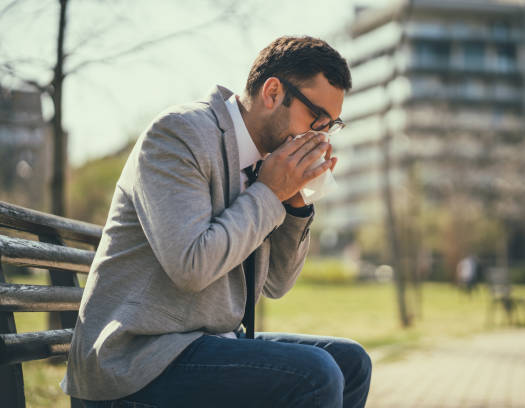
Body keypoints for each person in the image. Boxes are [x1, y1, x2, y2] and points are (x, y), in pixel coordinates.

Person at [61, 36, 372, 407]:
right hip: (134, 361)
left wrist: (294, 205)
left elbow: (276, 284)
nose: (318, 136)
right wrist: (269, 193)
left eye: (329, 126)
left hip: (207, 345)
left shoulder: (264, 162)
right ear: (272, 92)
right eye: (315, 119)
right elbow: (191, 266)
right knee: (314, 374)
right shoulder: (179, 135)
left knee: (351, 362)